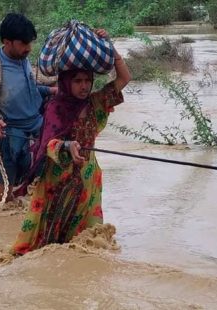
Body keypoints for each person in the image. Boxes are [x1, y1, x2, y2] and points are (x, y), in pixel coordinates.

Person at [11, 29, 131, 255]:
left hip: (88, 180)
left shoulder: (96, 103)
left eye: (87, 80)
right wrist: (67, 145)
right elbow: (48, 144)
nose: (84, 86)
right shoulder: (56, 108)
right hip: (58, 183)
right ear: (66, 82)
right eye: (77, 81)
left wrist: (109, 46)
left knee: (88, 245)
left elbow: (124, 78)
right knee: (47, 244)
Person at [0, 13, 57, 207]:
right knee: (2, 206)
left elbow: (29, 91)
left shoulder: (23, 61)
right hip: (10, 135)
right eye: (23, 43)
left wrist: (50, 90)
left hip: (36, 129)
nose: (29, 48)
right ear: (7, 42)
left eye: (30, 43)